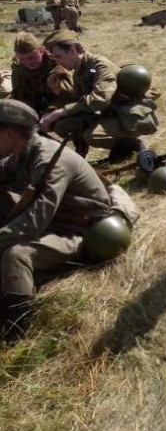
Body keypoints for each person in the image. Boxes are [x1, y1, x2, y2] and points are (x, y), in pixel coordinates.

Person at [0, 99, 128, 342]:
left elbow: (36, 220)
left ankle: (14, 334)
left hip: (80, 231)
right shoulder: (23, 151)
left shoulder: (50, 161)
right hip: (57, 221)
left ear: (9, 133)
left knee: (16, 255)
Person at [39, 30, 151, 162]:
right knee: (64, 126)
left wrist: (61, 111)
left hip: (128, 117)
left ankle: (133, 145)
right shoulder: (79, 69)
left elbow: (99, 100)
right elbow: (78, 101)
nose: (58, 62)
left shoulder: (100, 66)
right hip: (109, 114)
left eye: (59, 56)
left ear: (72, 51)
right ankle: (104, 151)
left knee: (92, 136)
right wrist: (58, 90)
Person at [10, 32, 69, 115]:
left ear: (41, 50)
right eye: (22, 59)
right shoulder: (18, 68)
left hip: (56, 106)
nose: (27, 62)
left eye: (31, 58)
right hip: (31, 107)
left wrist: (51, 111)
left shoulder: (57, 63)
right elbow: (19, 96)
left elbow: (68, 96)